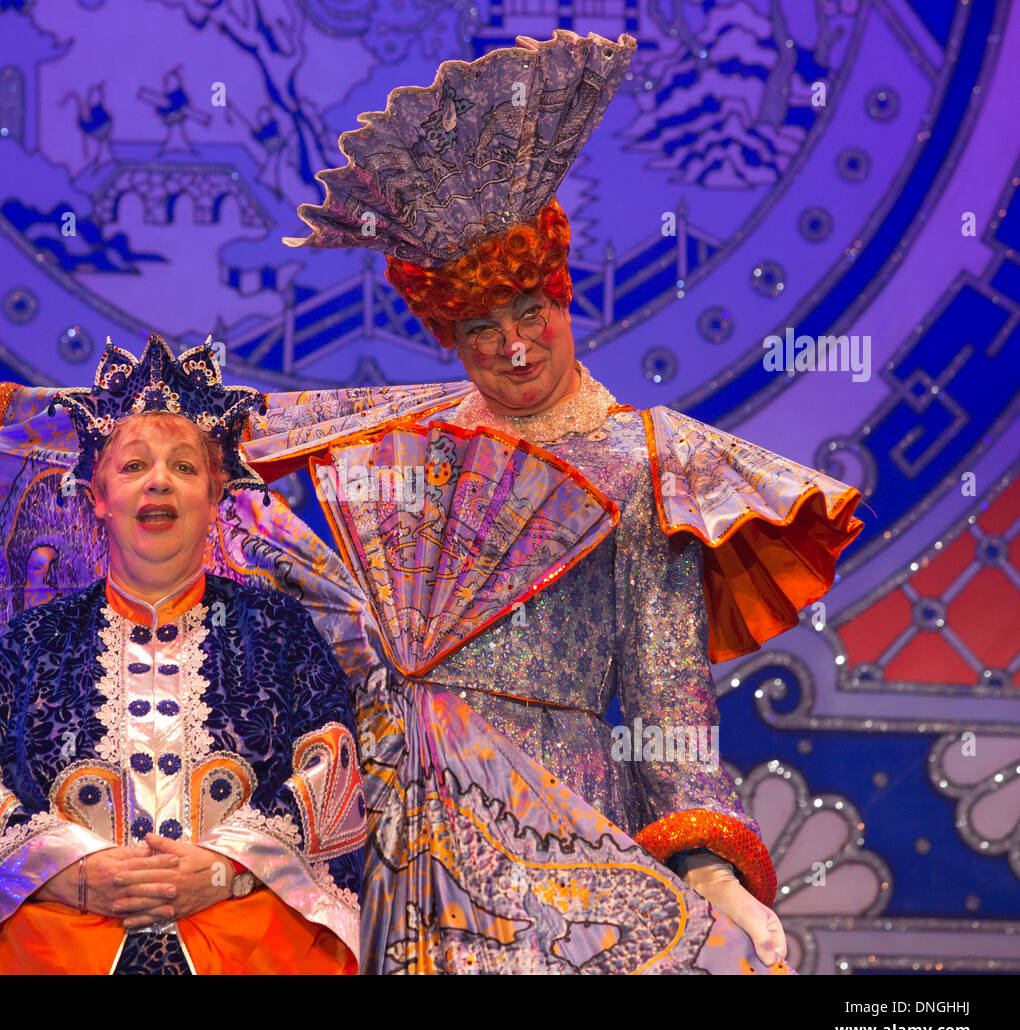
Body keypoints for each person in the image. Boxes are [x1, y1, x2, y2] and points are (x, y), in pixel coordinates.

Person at [243, 28, 865, 973]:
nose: (516, 347)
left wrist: (710, 867)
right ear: (448, 336)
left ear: (565, 297)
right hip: (398, 820)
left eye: (532, 313)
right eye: (481, 328)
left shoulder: (641, 461)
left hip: (559, 820)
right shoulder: (406, 442)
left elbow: (667, 699)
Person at [0, 337, 365, 974]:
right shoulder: (37, 643)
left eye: (185, 467)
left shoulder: (277, 630)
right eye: (135, 465)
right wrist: (72, 875)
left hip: (247, 943)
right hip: (68, 946)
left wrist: (229, 870)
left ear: (216, 498)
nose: (160, 480)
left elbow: (334, 784)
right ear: (97, 497)